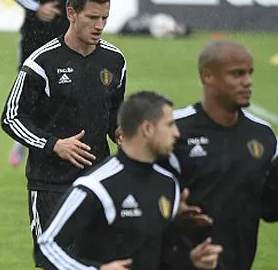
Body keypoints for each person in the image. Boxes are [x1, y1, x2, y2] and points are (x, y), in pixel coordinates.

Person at [0, 0, 126, 268]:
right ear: (71, 14)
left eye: (104, 18)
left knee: (93, 263)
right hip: (50, 185)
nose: (99, 25)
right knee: (54, 263)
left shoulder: (114, 60)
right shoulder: (41, 62)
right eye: (92, 17)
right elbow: (11, 117)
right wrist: (54, 144)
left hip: (96, 183)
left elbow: (115, 111)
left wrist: (120, 131)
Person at [37, 91, 223, 270]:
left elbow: (160, 258)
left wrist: (191, 260)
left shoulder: (169, 185)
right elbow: (46, 246)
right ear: (147, 129)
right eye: (169, 125)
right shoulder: (95, 186)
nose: (176, 133)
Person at [159, 40, 278, 270]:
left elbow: (270, 209)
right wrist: (173, 213)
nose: (247, 82)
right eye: (237, 74)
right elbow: (137, 192)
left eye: (249, 73)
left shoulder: (263, 135)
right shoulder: (174, 130)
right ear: (207, 76)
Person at [5, 0, 98, 167]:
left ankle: (64, 139)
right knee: (33, 88)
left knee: (68, 86)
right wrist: (36, 7)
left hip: (69, 32)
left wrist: (83, 17)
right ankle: (25, 139)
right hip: (35, 32)